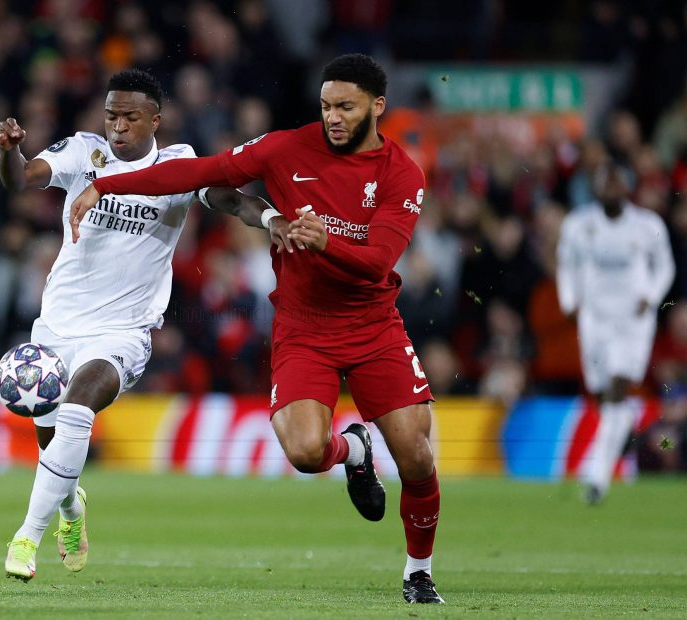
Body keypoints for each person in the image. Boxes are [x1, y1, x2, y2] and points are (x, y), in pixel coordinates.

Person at [70, 54, 444, 604]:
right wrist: (106, 184)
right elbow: (200, 173)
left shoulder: (402, 174)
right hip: (304, 327)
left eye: (346, 106)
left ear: (377, 107)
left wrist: (323, 241)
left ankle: (417, 571)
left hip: (373, 327)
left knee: (415, 455)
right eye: (325, 106)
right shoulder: (287, 147)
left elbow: (380, 260)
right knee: (305, 452)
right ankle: (355, 454)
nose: (333, 117)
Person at [0, 69, 285, 581]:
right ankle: (70, 509)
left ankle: (25, 539)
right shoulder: (83, 153)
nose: (119, 126)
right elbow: (22, 178)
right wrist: (9, 152)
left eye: (130, 117)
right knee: (54, 445)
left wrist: (270, 219)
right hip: (57, 326)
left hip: (122, 332)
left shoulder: (178, 166)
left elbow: (232, 198)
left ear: (156, 119)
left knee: (79, 404)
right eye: (112, 115)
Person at [557, 163, 675, 504]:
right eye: (605, 184)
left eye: (617, 184)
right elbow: (568, 263)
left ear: (627, 189)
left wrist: (650, 297)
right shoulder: (579, 225)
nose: (611, 191)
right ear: (596, 190)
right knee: (601, 394)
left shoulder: (647, 225)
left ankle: (597, 477)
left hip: (632, 320)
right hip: (594, 317)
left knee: (618, 389)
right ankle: (621, 427)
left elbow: (665, 265)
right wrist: (570, 300)